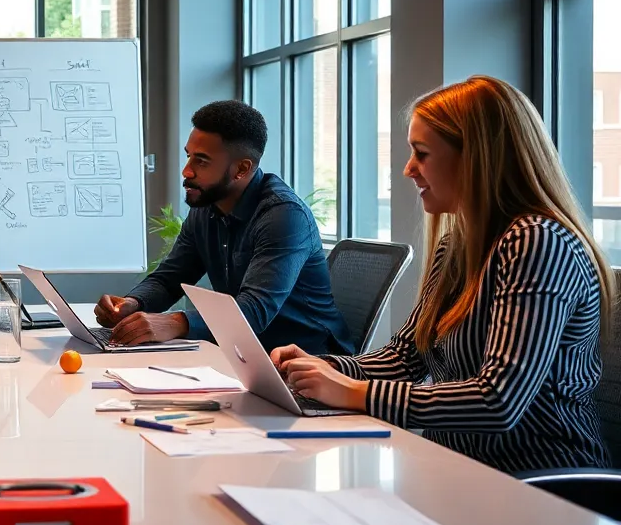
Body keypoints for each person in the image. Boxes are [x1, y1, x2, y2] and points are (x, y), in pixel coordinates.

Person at [273, 76, 613, 473]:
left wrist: (356, 393)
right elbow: (404, 358)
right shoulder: (457, 245)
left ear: (478, 157)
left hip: (539, 481)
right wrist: (323, 367)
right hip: (456, 468)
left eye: (422, 153)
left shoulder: (537, 242)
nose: (408, 170)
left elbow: (497, 401)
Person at [94, 100, 353, 355]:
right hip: (243, 355)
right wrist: (133, 303)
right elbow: (168, 279)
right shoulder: (207, 207)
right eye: (188, 156)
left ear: (242, 168)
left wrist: (176, 323)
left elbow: (254, 310)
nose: (186, 171)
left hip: (308, 363)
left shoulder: (283, 215)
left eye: (202, 161)